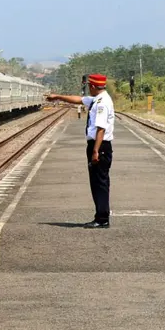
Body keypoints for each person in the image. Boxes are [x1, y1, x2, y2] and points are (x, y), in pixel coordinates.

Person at [46, 73, 115, 228]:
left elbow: (101, 129)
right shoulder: (98, 99)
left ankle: (102, 219)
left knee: (100, 183)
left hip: (100, 146)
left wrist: (96, 151)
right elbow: (78, 99)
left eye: (89, 86)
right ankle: (100, 216)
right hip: (98, 146)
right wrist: (58, 97)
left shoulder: (102, 103)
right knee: (97, 182)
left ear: (92, 86)